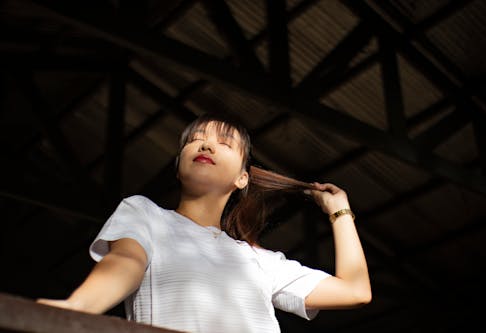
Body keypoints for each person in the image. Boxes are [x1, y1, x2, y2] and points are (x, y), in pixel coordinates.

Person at [37, 113, 371, 332]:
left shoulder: (259, 261)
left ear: (242, 178)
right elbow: (125, 262)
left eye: (224, 143)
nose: (206, 144)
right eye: (196, 140)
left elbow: (356, 291)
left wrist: (338, 211)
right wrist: (75, 309)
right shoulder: (145, 214)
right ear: (179, 163)